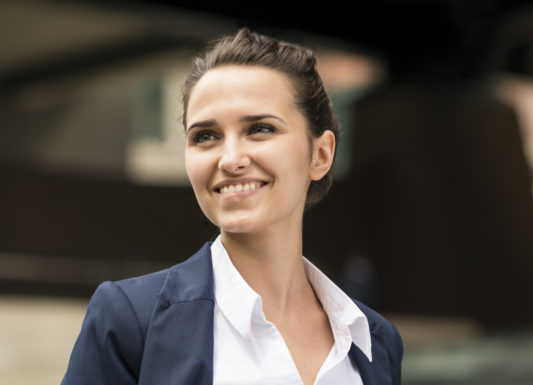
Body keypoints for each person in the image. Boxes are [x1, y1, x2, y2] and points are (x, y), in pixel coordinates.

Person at [61, 28, 403, 385]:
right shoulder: (130, 320)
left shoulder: (374, 341)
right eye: (205, 136)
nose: (230, 158)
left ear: (320, 154)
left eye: (260, 129)